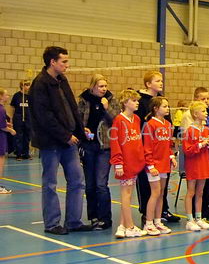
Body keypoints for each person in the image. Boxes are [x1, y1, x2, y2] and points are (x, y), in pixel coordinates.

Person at [29, 46, 92, 235]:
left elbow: (71, 108)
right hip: (51, 143)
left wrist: (79, 129)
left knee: (77, 180)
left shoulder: (62, 80)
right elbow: (45, 117)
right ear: (52, 62)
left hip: (69, 142)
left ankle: (73, 221)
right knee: (50, 183)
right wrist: (65, 135)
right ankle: (52, 224)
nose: (67, 65)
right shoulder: (40, 84)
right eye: (64, 61)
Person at [135, 71, 178, 224]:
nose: (161, 83)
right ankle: (146, 214)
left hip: (162, 149)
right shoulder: (140, 101)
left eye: (161, 80)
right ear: (148, 84)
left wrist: (171, 148)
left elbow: (169, 123)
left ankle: (162, 212)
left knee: (161, 186)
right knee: (147, 184)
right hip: (147, 148)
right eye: (157, 81)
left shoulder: (162, 100)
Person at [77, 74, 119, 230]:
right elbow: (77, 120)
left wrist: (107, 109)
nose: (104, 89)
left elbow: (116, 120)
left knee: (101, 184)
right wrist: (83, 129)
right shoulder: (84, 100)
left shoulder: (111, 100)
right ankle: (93, 216)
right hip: (88, 145)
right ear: (93, 86)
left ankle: (105, 218)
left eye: (105, 86)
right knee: (90, 184)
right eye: (101, 86)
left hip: (104, 147)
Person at [109, 89, 148, 239]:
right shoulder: (119, 120)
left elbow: (137, 141)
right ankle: (130, 227)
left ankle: (122, 225)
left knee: (129, 194)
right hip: (124, 163)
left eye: (137, 100)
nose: (137, 103)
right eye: (134, 100)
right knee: (126, 194)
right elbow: (115, 143)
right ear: (125, 103)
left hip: (135, 162)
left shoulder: (136, 119)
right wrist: (118, 163)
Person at [180, 87, 209, 220]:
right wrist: (200, 144)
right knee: (191, 192)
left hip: (204, 163)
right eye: (203, 111)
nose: (206, 113)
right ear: (196, 114)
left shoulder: (207, 129)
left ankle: (199, 217)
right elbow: (187, 149)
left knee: (200, 192)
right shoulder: (189, 129)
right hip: (193, 164)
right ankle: (190, 218)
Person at [143, 97, 177, 235]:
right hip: (154, 165)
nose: (167, 108)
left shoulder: (168, 124)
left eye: (168, 106)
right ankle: (148, 223)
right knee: (155, 193)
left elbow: (168, 145)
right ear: (156, 109)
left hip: (164, 164)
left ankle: (158, 221)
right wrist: (150, 165)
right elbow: (147, 147)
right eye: (164, 106)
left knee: (161, 193)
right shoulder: (150, 125)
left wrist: (171, 157)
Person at [10, 80, 32, 160]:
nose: (28, 87)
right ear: (22, 86)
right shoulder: (16, 96)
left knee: (27, 137)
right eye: (27, 85)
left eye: (29, 85)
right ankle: (18, 154)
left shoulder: (29, 96)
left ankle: (26, 154)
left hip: (28, 119)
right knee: (18, 137)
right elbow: (12, 107)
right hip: (18, 119)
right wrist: (11, 118)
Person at [0, 88, 15, 194]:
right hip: (0, 138)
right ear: (1, 96)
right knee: (0, 162)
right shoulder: (1, 109)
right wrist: (11, 130)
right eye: (6, 95)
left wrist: (6, 124)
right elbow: (2, 126)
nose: (7, 96)